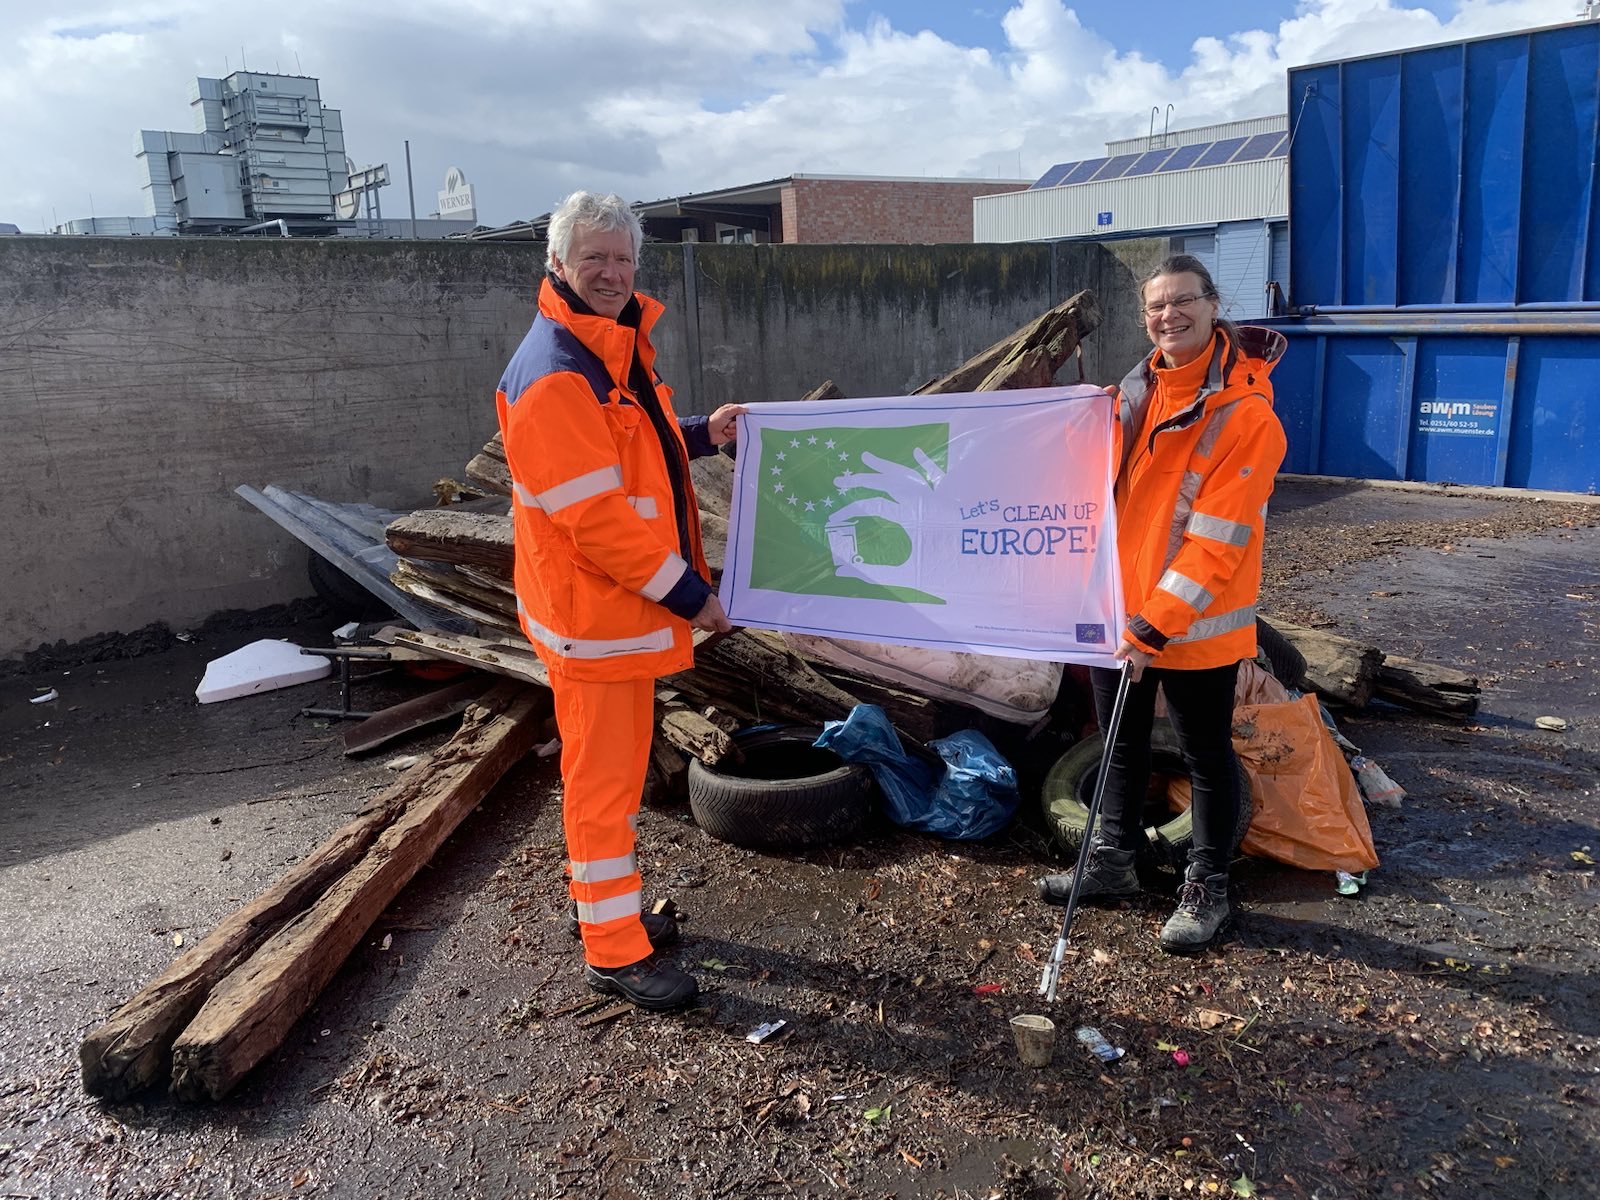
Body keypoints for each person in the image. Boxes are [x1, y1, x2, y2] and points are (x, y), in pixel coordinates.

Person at [495, 191, 745, 1010]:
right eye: (593, 258)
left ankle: (603, 911)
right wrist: (691, 595)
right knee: (602, 790)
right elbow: (598, 522)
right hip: (594, 624)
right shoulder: (556, 374)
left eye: (622, 259)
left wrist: (708, 432)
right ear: (558, 264)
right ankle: (613, 948)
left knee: (608, 782)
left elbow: (637, 443)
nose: (610, 272)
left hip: (607, 619)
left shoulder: (608, 347)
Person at [1038, 254, 1287, 953]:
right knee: (1118, 741)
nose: (1168, 316)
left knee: (1205, 755)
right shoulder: (1132, 394)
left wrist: (1157, 623)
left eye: (1183, 302)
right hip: (1118, 615)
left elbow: (1217, 542)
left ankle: (1207, 888)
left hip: (1193, 625)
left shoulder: (1246, 415)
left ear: (1213, 305)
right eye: (1155, 307)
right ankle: (1114, 862)